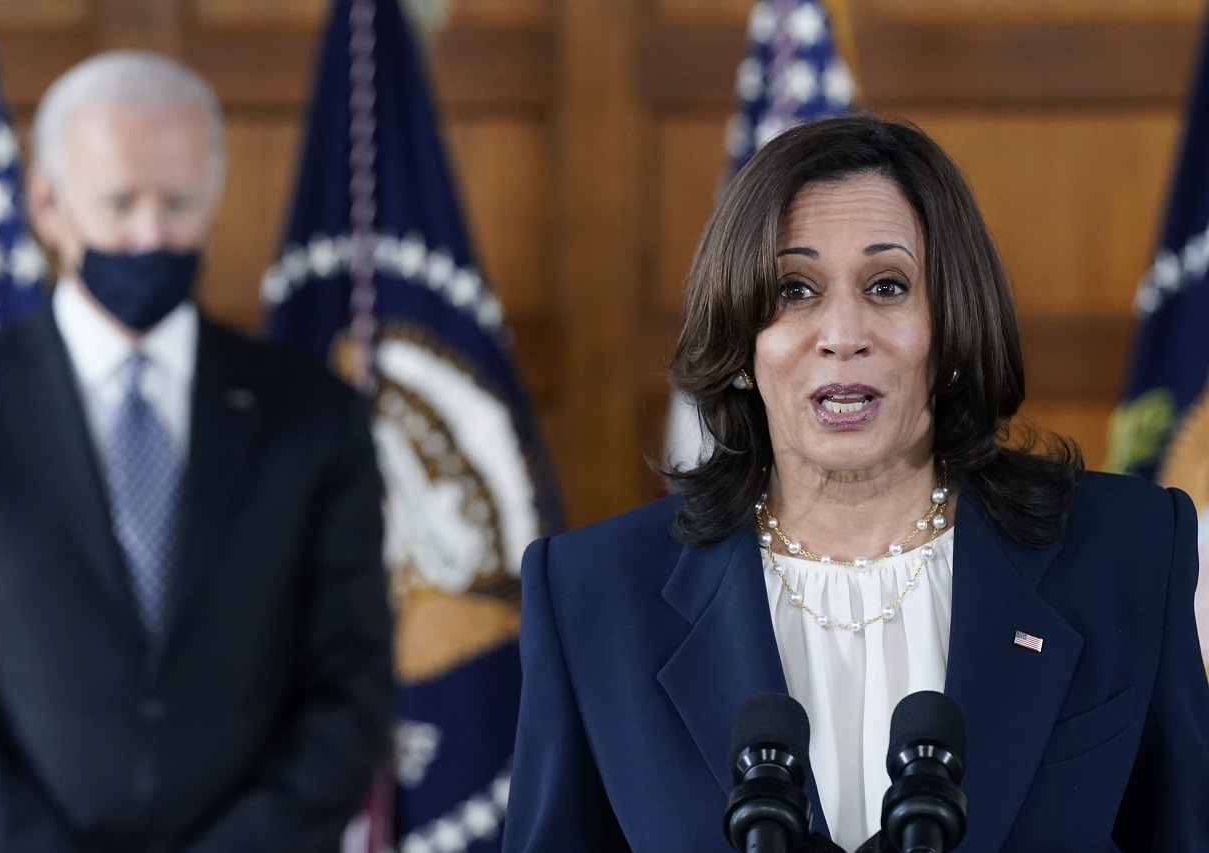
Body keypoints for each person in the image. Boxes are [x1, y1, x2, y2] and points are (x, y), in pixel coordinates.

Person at [503, 114, 1209, 852]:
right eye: (795, 289)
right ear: (743, 341)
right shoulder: (594, 595)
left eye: (887, 284)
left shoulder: (1125, 553)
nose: (843, 332)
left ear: (951, 326)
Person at [0, 51, 394, 851]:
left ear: (215, 196)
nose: (150, 232)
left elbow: (350, 686)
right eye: (120, 202)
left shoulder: (316, 415)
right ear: (47, 201)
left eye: (178, 201)